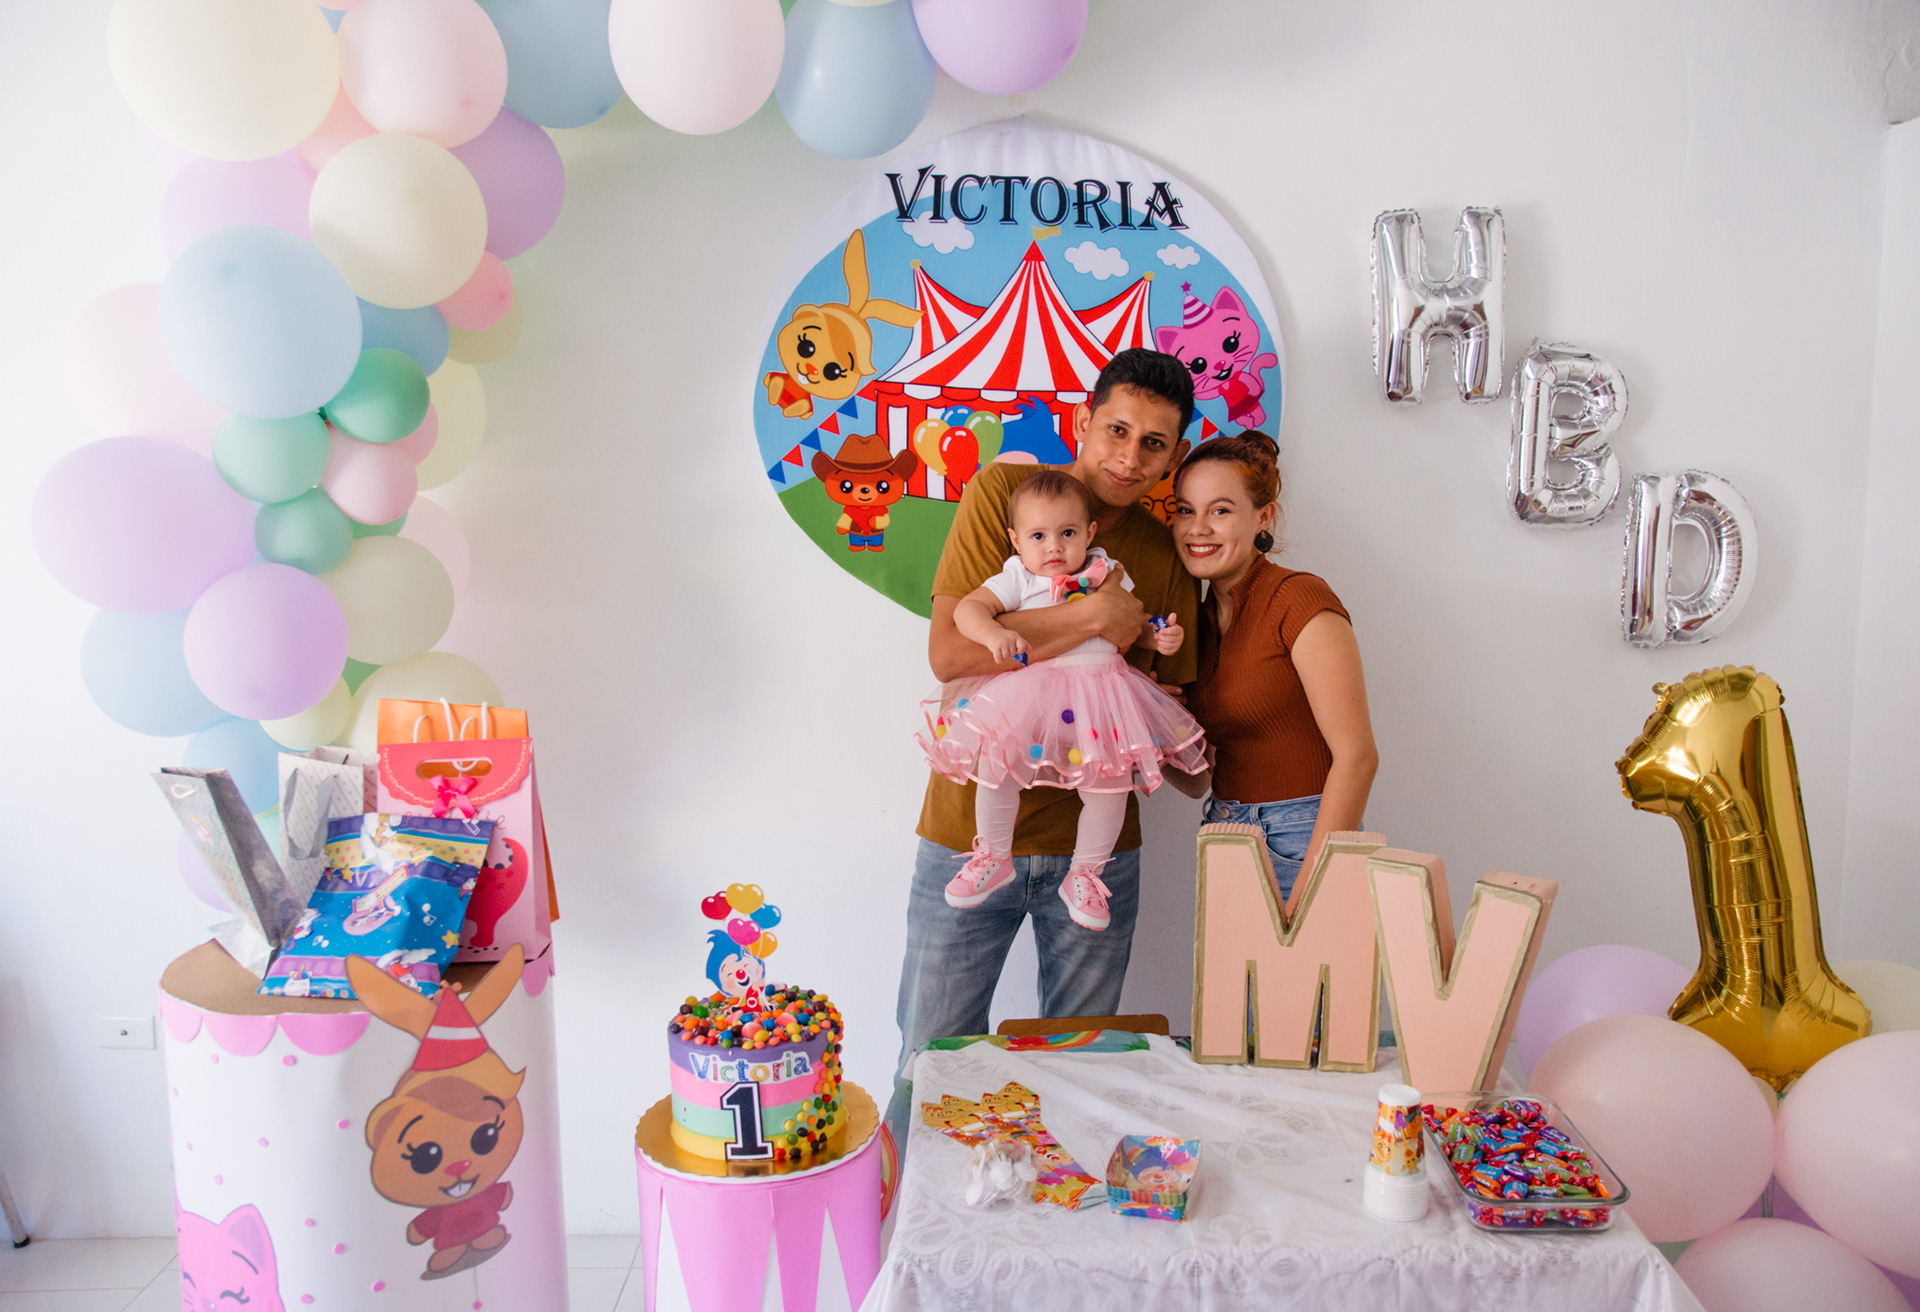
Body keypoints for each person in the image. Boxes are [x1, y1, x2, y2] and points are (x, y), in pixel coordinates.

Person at [889, 349, 1200, 1141]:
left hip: (1097, 855)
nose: (1129, 457)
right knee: (929, 1065)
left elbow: (1168, 700)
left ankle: (1061, 1219)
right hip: (967, 835)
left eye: (1154, 444)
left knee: (1081, 1081)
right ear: (1083, 421)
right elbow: (953, 652)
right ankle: (909, 1218)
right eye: (1117, 430)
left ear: (1174, 456)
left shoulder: (1163, 552)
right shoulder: (1005, 493)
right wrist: (1097, 617)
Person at [917, 469, 1205, 931]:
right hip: (1032, 694)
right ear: (1016, 540)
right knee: (995, 769)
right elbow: (968, 609)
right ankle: (993, 855)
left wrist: (1157, 636)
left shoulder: (1105, 571)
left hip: (1101, 695)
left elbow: (1132, 622)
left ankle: (1085, 874)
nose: (1053, 547)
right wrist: (993, 633)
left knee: (1109, 789)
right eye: (1038, 536)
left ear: (1089, 533)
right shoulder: (1018, 576)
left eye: (1067, 533)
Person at [1168, 431, 1378, 900]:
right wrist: (1142, 716)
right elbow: (1199, 779)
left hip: (1303, 837)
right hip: (1224, 832)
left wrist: (1311, 887)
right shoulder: (1196, 623)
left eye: (1220, 511)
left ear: (1264, 517)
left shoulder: (1298, 598)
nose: (1197, 528)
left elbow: (1358, 758)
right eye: (1185, 510)